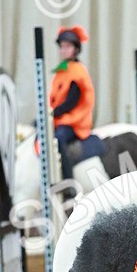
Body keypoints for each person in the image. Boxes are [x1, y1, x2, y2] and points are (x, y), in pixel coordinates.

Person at [48, 26, 103, 180]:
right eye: (62, 47)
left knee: (58, 138)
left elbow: (71, 101)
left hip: (74, 121)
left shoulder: (77, 71)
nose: (64, 50)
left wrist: (53, 113)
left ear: (76, 49)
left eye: (67, 46)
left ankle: (68, 180)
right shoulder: (63, 69)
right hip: (60, 118)